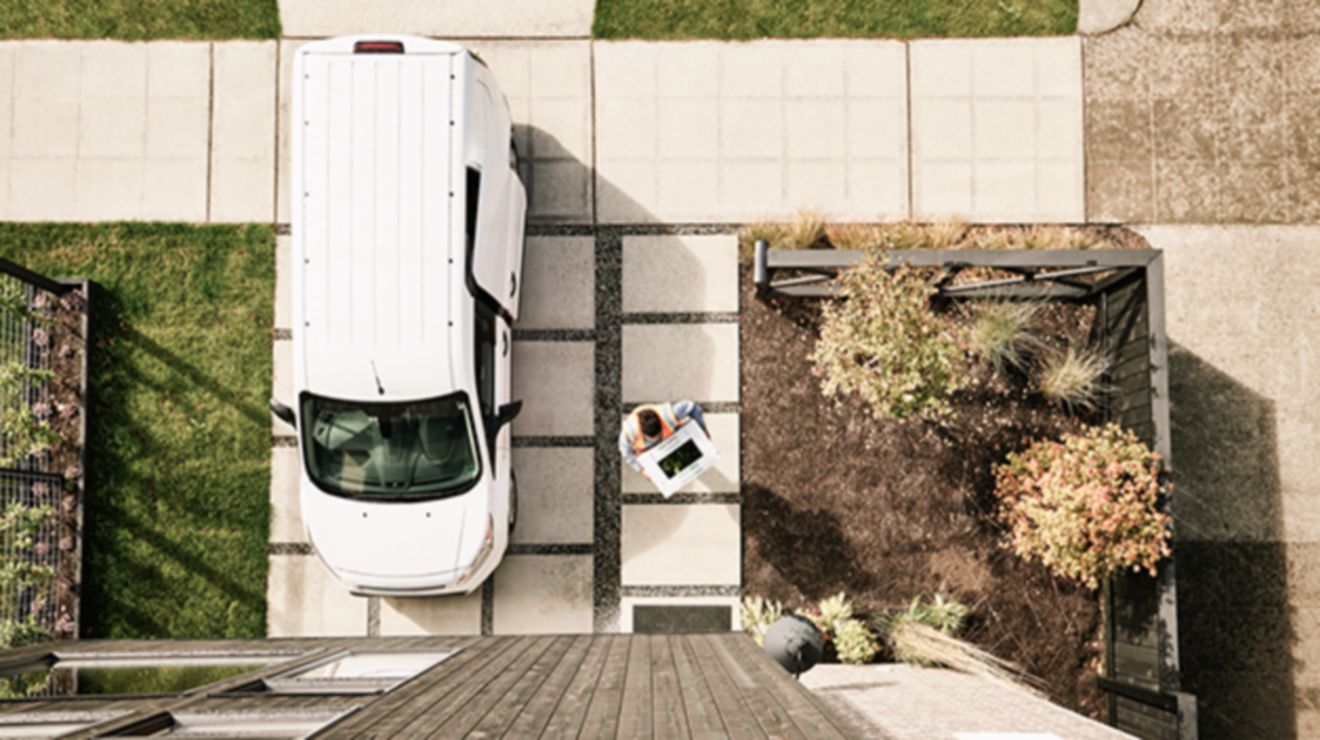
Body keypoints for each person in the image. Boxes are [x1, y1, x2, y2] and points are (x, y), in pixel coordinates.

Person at [618, 400, 708, 474]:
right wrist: (642, 470)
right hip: (648, 450)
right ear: (642, 432)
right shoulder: (629, 433)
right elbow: (627, 454)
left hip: (670, 438)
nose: (656, 439)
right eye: (651, 438)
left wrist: (703, 430)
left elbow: (692, 407)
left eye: (658, 435)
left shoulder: (669, 415)